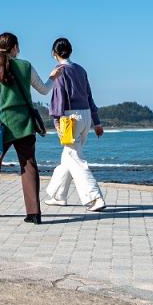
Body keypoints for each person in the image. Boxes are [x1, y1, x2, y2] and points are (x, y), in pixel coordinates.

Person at [0, 32, 54, 225]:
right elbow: (44, 90)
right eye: (18, 46)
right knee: (28, 165)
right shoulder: (26, 66)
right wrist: (53, 77)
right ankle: (34, 212)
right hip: (24, 124)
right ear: (14, 47)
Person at [45, 37, 106, 211]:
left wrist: (57, 123)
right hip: (86, 116)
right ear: (70, 51)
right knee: (69, 157)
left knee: (76, 159)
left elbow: (58, 98)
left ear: (54, 53)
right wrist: (97, 123)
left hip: (70, 118)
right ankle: (58, 196)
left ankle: (94, 198)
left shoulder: (59, 71)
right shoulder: (80, 69)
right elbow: (89, 96)